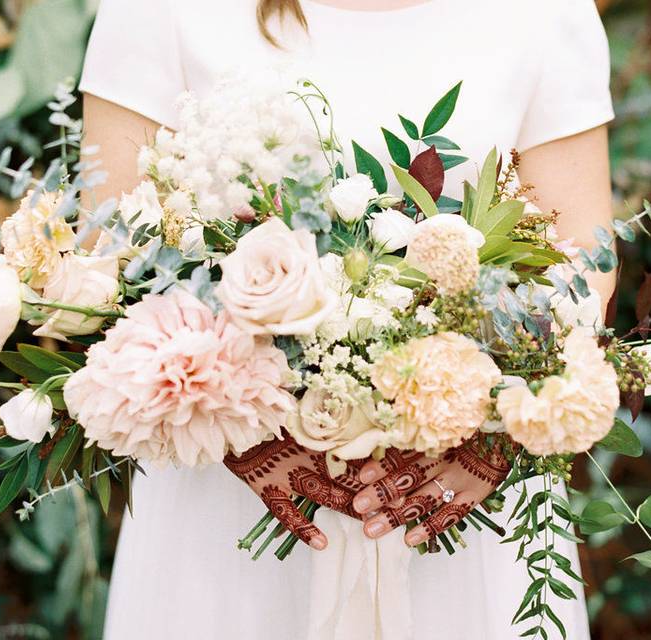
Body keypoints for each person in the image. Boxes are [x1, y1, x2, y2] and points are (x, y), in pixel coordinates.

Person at [80, 1, 615, 638]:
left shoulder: (546, 12)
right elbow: (111, 250)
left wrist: (493, 438)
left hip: (460, 505)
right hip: (227, 500)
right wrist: (242, 431)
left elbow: (580, 253)